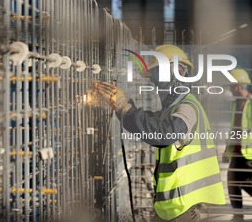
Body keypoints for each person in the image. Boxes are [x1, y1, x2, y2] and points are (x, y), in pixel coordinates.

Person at [94, 45, 226, 221]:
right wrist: (125, 105)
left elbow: (163, 134)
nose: (154, 81)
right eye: (154, 76)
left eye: (158, 74)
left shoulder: (187, 107)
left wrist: (125, 108)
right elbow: (150, 122)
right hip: (174, 204)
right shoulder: (174, 108)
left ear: (179, 71)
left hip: (181, 205)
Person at [223, 69, 252, 221]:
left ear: (240, 86)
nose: (230, 89)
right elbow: (233, 130)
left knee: (244, 181)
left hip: (251, 152)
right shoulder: (236, 104)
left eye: (231, 86)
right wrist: (227, 150)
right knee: (232, 181)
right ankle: (238, 216)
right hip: (237, 150)